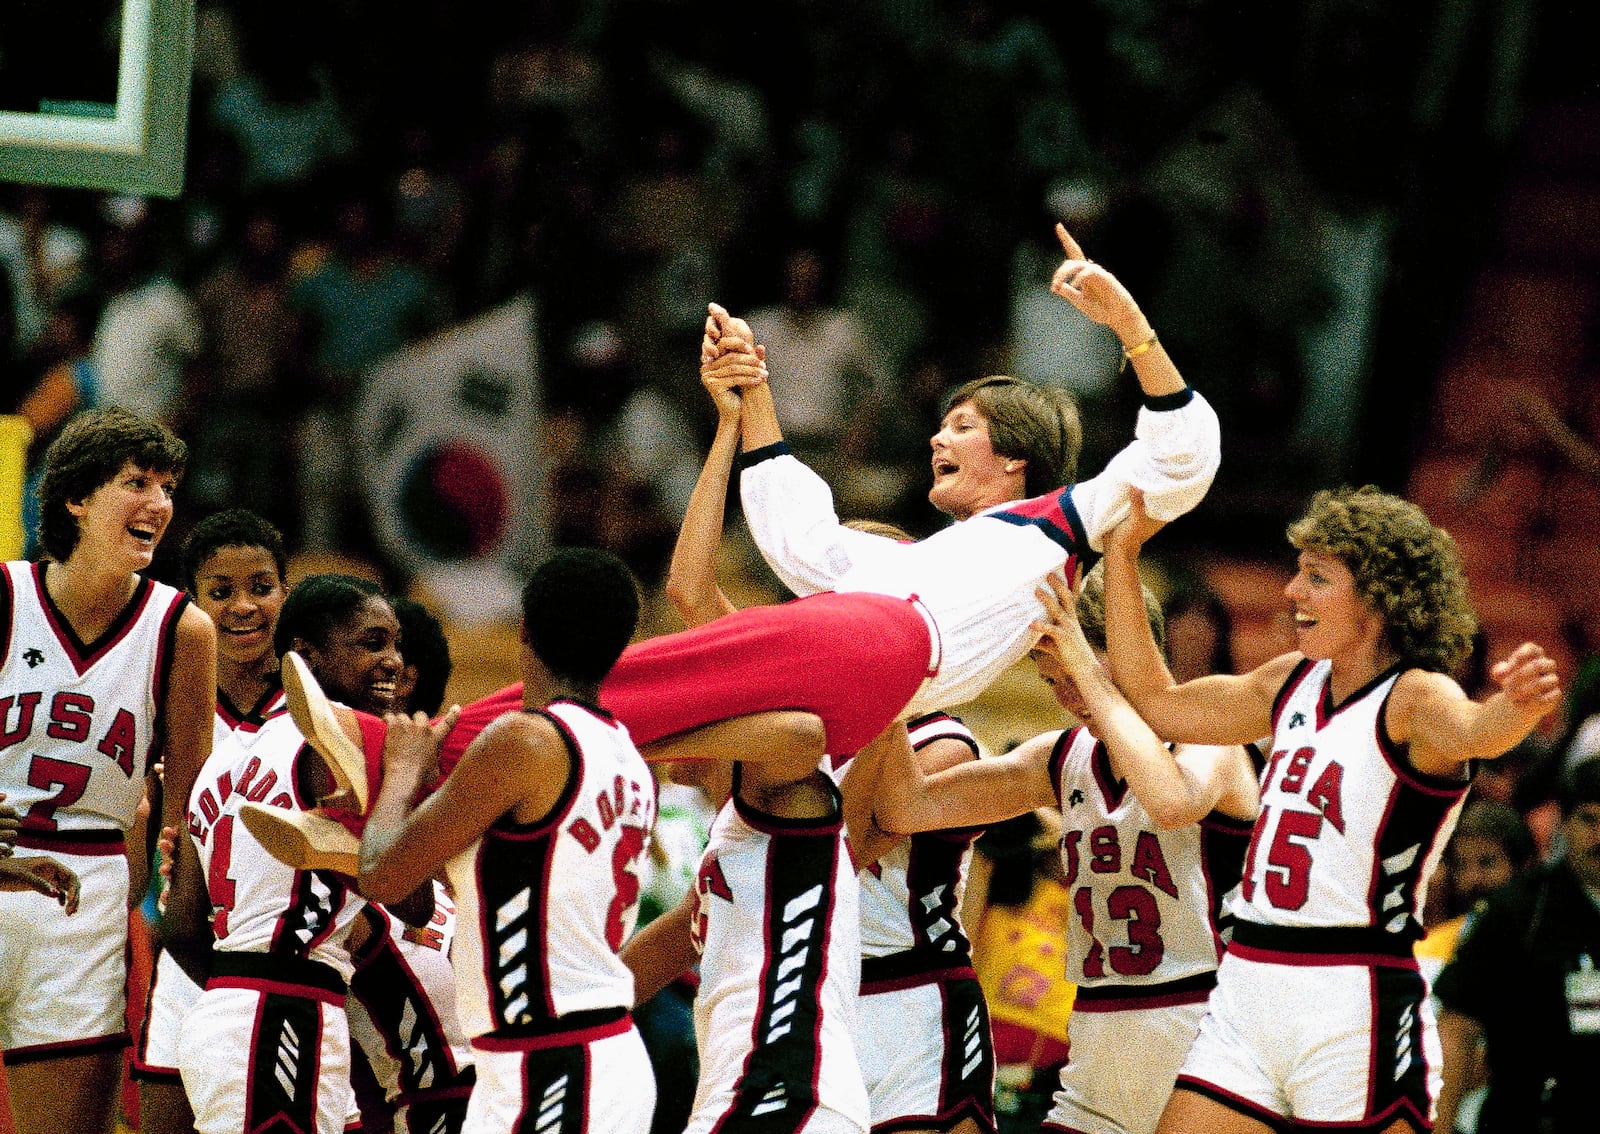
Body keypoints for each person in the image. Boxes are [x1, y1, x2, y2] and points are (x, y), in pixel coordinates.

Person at [1099, 487, 1562, 1134]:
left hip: (1351, 995)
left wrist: (1516, 706)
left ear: (1378, 597)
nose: (1291, 591)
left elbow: (1477, 730)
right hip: (1248, 988)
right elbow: (1157, 701)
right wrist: (1122, 555)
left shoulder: (1414, 696)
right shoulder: (1289, 680)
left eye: (1316, 577)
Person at [714, 222, 1221, 719]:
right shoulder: (915, 561)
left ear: (1014, 456)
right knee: (655, 689)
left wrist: (1130, 325)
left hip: (882, 658)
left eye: (962, 426)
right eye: (942, 426)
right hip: (853, 656)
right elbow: (800, 543)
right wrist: (752, 387)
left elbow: (1179, 456)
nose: (937, 438)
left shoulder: (1063, 522)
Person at [873, 560, 1259, 1134]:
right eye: (1054, 680)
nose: (1067, 695)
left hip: (1206, 1044)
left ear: (1132, 647)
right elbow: (907, 808)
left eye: (1077, 671)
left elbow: (1172, 802)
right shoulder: (1059, 757)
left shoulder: (1209, 742)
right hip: (1098, 1052)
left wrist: (1093, 671)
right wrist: (892, 674)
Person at [354, 548, 657, 1134]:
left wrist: (401, 770)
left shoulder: (524, 741)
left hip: (558, 1060)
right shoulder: (628, 756)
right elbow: (501, 886)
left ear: (523, 629)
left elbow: (383, 874)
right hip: (556, 1056)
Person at [0, 407, 215, 1134]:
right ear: (76, 498)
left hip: (83, 903)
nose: (158, 503)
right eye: (137, 483)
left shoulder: (181, 628)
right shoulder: (3, 596)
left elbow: (190, 816)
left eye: (168, 486)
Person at [162, 573, 411, 1134]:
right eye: (372, 644)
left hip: (232, 1007)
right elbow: (408, 893)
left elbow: (179, 927)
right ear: (305, 655)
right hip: (282, 1012)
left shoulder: (224, 760)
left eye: (397, 644)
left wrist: (241, 993)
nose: (393, 660)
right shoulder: (338, 749)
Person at [134, 507, 292, 1134]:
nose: (243, 606)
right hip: (184, 955)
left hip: (283, 965)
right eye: (220, 592)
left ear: (287, 592)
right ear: (191, 604)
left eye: (261, 587)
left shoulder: (319, 709)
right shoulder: (165, 703)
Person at [346, 596, 476, 1134]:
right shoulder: (312, 780)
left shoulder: (473, 785)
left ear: (401, 678)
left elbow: (407, 896)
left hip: (473, 1083)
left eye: (384, 648)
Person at [1432, 757, 1600, 1134]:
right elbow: (1457, 1031)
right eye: (1590, 820)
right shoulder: (1515, 910)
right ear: (1565, 825)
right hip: (1529, 1118)